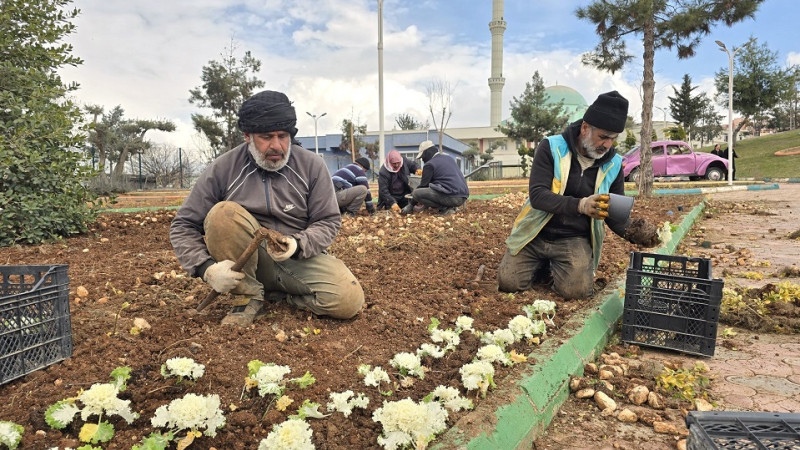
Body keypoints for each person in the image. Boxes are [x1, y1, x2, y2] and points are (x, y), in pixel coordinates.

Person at [170, 90, 364, 327]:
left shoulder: (311, 166)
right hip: (245, 262)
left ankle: (277, 296)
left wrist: (298, 243)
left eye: (283, 136)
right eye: (266, 137)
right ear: (247, 136)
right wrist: (206, 269)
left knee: (348, 300)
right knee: (223, 213)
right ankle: (247, 295)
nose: (277, 146)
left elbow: (328, 220)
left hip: (297, 258)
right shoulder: (224, 168)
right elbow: (184, 225)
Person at [497, 91, 659, 300]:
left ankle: (556, 265)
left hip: (573, 238)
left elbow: (611, 211)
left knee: (577, 292)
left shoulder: (614, 164)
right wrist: (581, 205)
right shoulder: (552, 147)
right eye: (603, 137)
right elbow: (538, 196)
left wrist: (634, 232)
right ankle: (541, 265)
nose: (607, 145)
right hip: (535, 233)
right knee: (509, 283)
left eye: (612, 139)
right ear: (584, 128)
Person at [402, 140, 470, 215]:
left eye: (422, 157)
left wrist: (411, 204)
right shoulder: (449, 158)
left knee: (416, 193)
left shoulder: (429, 165)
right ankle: (450, 208)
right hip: (463, 196)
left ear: (427, 153)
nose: (423, 160)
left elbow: (423, 186)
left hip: (452, 197)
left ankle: (445, 208)